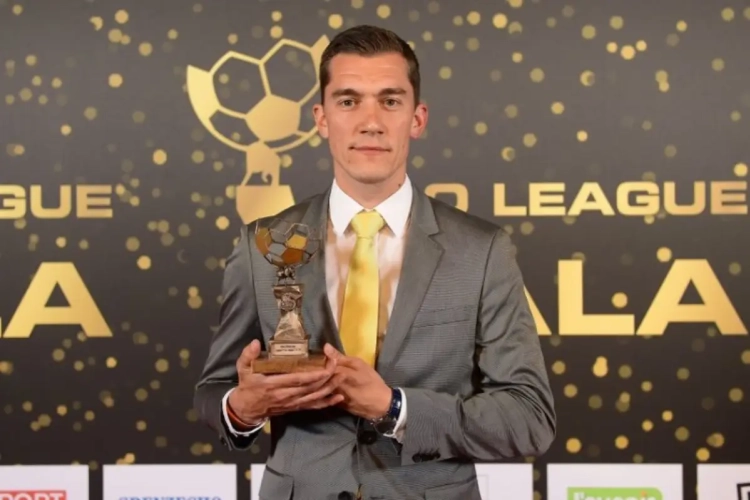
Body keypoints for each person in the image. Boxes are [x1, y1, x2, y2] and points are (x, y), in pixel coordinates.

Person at [194, 24, 556, 500]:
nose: (370, 122)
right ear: (321, 118)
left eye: (389, 101)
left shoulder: (482, 251)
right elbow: (213, 390)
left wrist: (395, 408)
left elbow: (529, 417)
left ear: (417, 118)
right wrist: (241, 409)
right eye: (348, 101)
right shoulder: (262, 245)